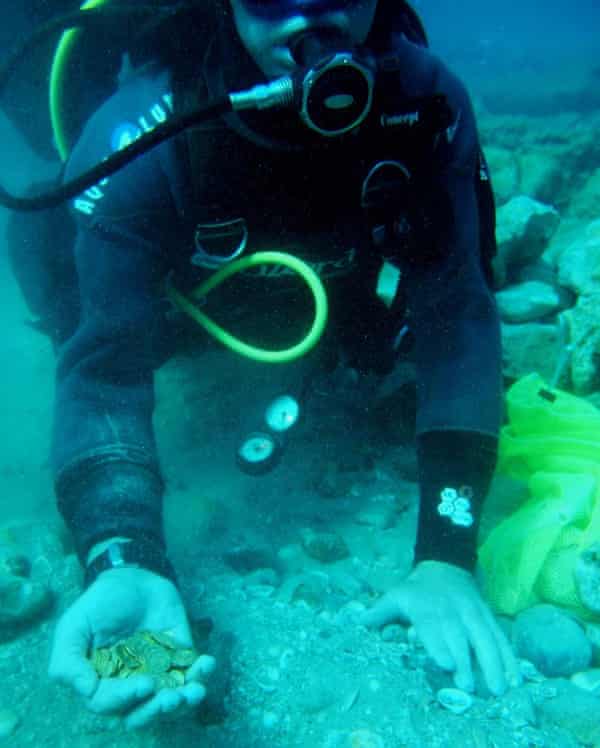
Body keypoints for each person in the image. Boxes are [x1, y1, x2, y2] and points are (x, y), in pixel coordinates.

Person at [12, 0, 520, 731]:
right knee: (65, 283)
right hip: (181, 301)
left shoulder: (428, 100)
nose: (309, 15)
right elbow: (105, 370)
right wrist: (123, 555)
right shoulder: (140, 134)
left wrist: (446, 557)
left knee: (370, 342)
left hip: (307, 292)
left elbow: (459, 315)